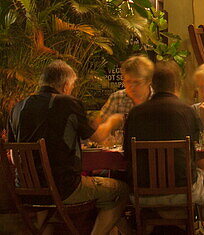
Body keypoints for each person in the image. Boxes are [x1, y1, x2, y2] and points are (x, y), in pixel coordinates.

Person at [7, 61, 130, 235]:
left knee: (49, 212)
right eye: (72, 86)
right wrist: (113, 121)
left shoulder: (18, 107)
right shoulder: (67, 103)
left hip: (26, 191)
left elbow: (12, 154)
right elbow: (98, 137)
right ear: (65, 86)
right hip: (64, 189)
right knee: (120, 191)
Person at [124, 61, 204, 232]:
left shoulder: (135, 113)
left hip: (142, 193)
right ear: (177, 84)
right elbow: (201, 160)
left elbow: (126, 156)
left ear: (152, 84)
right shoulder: (187, 112)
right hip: (183, 191)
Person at [98, 54, 154, 128]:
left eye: (137, 82)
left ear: (148, 81)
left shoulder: (158, 99)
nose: (132, 86)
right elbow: (100, 127)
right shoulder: (117, 98)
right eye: (128, 81)